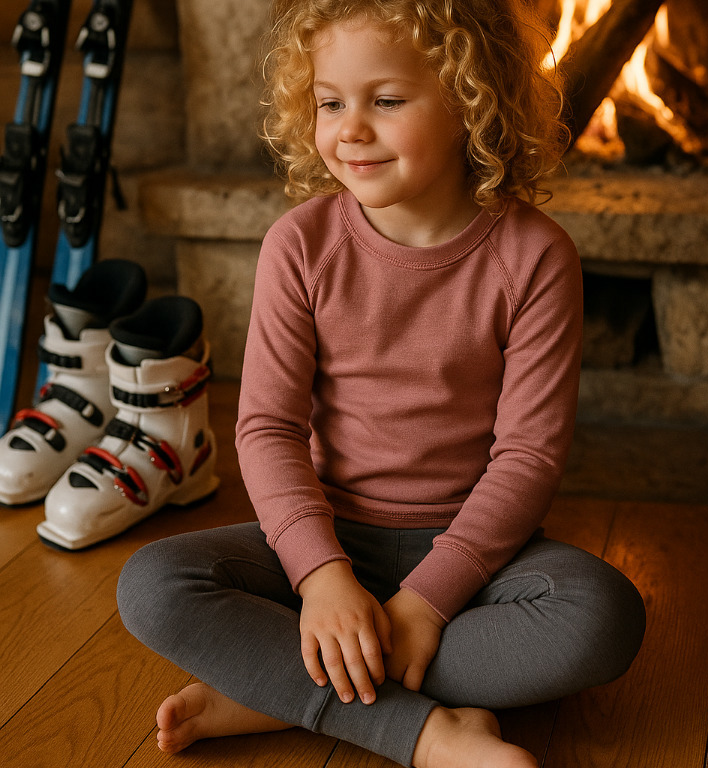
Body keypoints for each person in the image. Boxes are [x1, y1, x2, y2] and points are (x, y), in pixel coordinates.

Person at [117, 1, 646, 767]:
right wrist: (324, 578)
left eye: (386, 101)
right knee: (153, 585)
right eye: (330, 102)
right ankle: (424, 733)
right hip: (325, 537)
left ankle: (279, 692)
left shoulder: (534, 256)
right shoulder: (300, 245)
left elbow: (528, 455)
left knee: (604, 616)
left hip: (476, 554)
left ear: (475, 100)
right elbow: (266, 428)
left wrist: (429, 601)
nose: (350, 129)